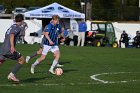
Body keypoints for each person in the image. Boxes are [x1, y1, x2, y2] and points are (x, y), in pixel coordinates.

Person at [0, 14, 25, 82]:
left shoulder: (11, 27)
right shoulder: (17, 27)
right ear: (22, 20)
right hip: (9, 49)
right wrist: (12, 47)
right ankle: (12, 75)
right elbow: (12, 35)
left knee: (1, 61)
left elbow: (7, 35)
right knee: (22, 60)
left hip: (3, 48)